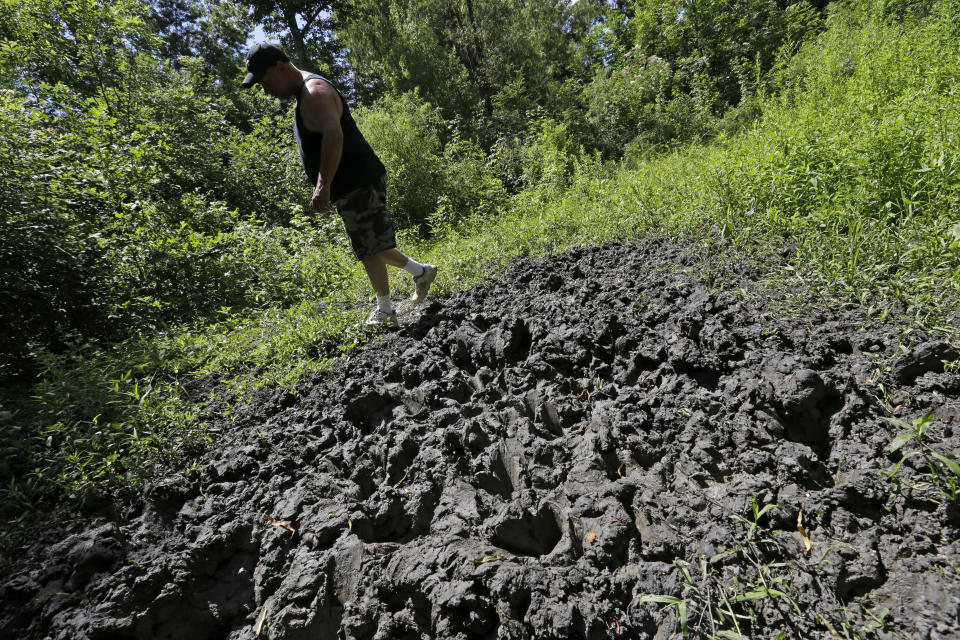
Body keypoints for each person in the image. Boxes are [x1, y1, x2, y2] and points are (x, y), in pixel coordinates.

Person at [240, 43, 437, 326]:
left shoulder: (314, 92)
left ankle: (385, 311)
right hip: (354, 182)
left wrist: (323, 185)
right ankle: (421, 273)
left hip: (357, 180)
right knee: (372, 243)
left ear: (280, 68)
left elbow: (334, 135)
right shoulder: (305, 94)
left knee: (368, 247)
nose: (267, 91)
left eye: (265, 82)